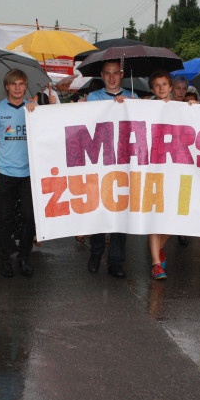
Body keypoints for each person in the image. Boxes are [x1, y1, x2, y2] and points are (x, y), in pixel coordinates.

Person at [0, 69, 37, 278]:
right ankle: (4, 260)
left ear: (26, 86)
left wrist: (38, 112)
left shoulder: (33, 108)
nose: (18, 88)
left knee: (29, 217)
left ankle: (24, 257)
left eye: (21, 84)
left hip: (29, 173)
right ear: (7, 86)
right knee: (6, 218)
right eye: (14, 84)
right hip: (4, 172)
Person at [85, 60, 138, 278]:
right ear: (102, 75)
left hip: (125, 162)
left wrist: (129, 107)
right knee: (99, 207)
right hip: (100, 161)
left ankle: (116, 261)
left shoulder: (133, 97)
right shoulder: (93, 97)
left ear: (122, 74)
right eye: (107, 73)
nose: (112, 77)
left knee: (120, 211)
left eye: (115, 73)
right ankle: (96, 252)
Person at [147, 70, 174, 280]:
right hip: (152, 169)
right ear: (152, 89)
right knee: (155, 218)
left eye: (164, 84)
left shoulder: (181, 108)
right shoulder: (145, 108)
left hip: (175, 170)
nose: (161, 88)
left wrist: (194, 107)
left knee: (174, 219)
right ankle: (156, 263)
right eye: (157, 85)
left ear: (170, 87)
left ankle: (159, 249)